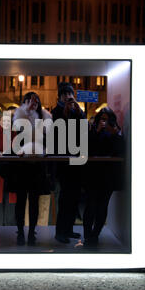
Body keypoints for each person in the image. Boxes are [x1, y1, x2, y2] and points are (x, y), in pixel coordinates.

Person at [12, 92, 53, 245]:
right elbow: (21, 133)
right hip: (22, 165)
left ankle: (31, 233)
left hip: (37, 165)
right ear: (24, 103)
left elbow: (47, 138)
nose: (33, 103)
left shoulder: (45, 117)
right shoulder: (20, 115)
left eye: (36, 101)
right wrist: (27, 111)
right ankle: (20, 233)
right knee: (21, 201)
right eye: (29, 100)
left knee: (34, 201)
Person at [83, 107, 124, 247]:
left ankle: (95, 234)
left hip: (108, 176)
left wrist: (114, 133)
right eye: (102, 119)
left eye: (106, 120)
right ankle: (88, 235)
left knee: (102, 206)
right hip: (93, 175)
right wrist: (97, 131)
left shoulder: (115, 133)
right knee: (91, 205)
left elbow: (120, 150)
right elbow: (87, 148)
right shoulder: (93, 132)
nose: (103, 122)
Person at [52, 82, 86, 243]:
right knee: (65, 198)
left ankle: (69, 229)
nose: (68, 97)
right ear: (60, 96)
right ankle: (60, 232)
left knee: (74, 197)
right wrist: (66, 113)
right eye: (65, 94)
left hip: (77, 160)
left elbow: (83, 131)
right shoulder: (56, 111)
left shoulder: (77, 111)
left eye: (70, 93)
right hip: (64, 162)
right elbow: (57, 134)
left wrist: (79, 113)